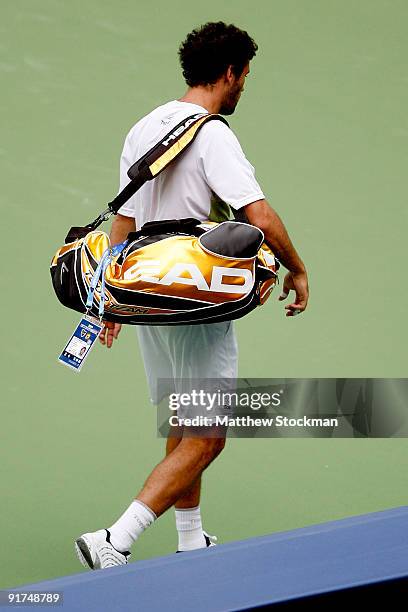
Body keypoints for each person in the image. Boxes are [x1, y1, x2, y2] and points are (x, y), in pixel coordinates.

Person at [75, 21, 309, 570]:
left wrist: (108, 299)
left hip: (149, 302)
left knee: (183, 426)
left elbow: (124, 223)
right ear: (230, 72)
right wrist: (298, 268)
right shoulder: (213, 134)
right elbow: (259, 215)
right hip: (196, 304)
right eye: (244, 76)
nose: (244, 86)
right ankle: (114, 539)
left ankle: (190, 541)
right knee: (207, 438)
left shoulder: (144, 127)